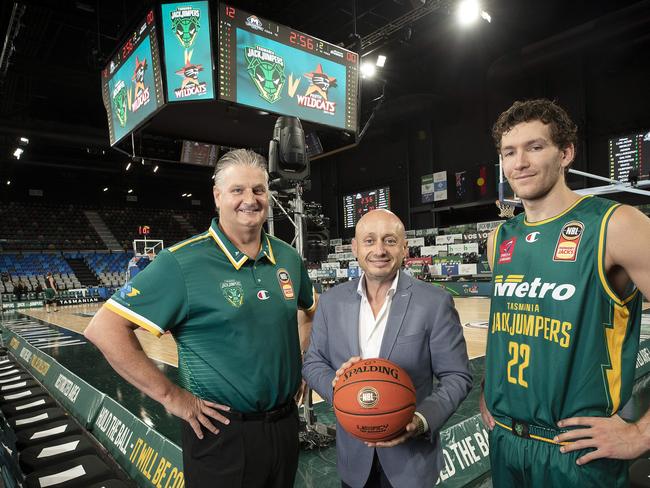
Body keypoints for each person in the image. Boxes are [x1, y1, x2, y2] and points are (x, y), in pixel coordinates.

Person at [85, 149, 317, 488]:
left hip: (284, 426)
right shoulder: (181, 263)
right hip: (220, 434)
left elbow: (309, 313)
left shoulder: (287, 257)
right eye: (238, 190)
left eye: (258, 189)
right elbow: (105, 328)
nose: (249, 199)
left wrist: (303, 363)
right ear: (217, 195)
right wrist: (172, 397)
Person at [479, 99, 650, 487]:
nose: (519, 162)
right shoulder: (498, 240)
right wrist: (491, 389)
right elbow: (509, 326)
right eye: (509, 152)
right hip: (506, 443)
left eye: (535, 147)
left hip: (577, 452)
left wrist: (641, 434)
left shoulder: (616, 225)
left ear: (566, 153)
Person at [303, 209, 472, 488]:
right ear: (355, 248)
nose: (379, 250)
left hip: (411, 464)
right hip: (353, 461)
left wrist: (420, 420)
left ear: (404, 247)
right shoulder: (331, 302)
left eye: (389, 241)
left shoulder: (434, 302)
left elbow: (457, 375)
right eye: (369, 241)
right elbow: (313, 362)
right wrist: (339, 387)